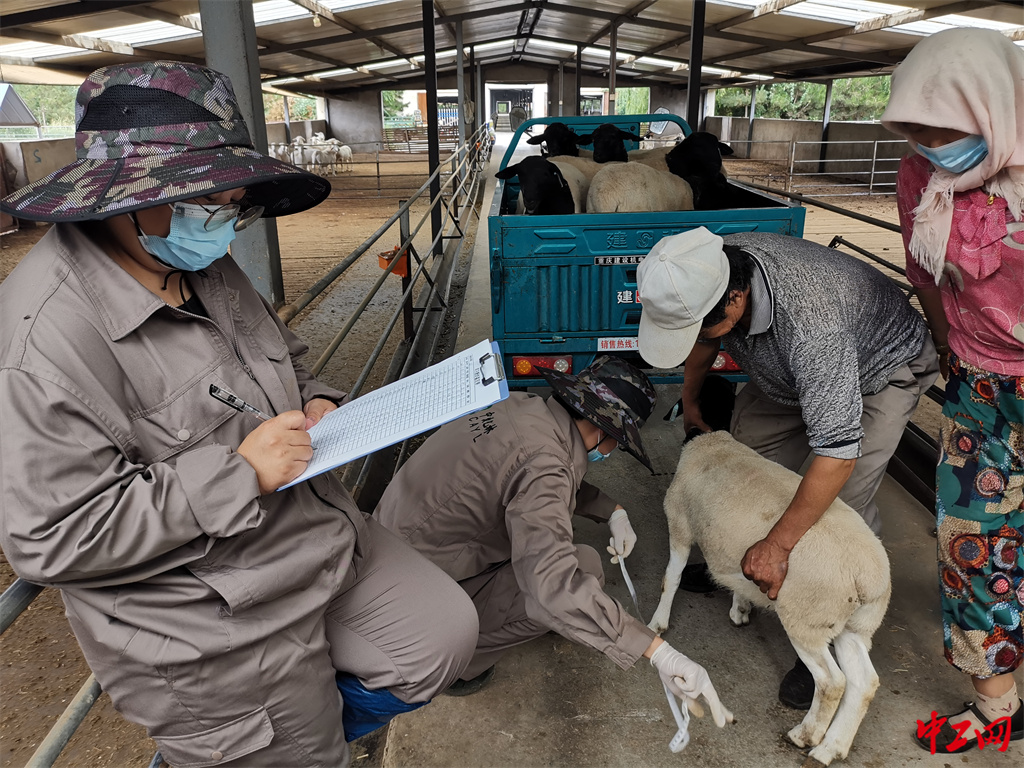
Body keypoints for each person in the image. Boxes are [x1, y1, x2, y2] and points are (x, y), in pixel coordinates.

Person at [0, 61, 479, 767]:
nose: (224, 216)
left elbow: (285, 353)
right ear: (126, 199)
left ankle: (295, 731)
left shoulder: (200, 266)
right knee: (307, 755)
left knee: (441, 637)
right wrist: (239, 475)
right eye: (206, 198)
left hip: (308, 536)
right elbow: (52, 539)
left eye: (232, 199)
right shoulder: (43, 341)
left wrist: (317, 397)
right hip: (209, 618)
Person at [636, 227, 938, 709]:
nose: (697, 336)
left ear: (735, 299)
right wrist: (689, 400)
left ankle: (825, 636)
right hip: (786, 372)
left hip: (876, 370)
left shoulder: (813, 325)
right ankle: (738, 563)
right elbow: (703, 338)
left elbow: (837, 451)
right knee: (746, 469)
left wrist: (777, 545)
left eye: (702, 327)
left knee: (838, 508)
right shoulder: (706, 266)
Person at [375, 356, 733, 726]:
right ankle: (456, 663)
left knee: (575, 561)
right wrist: (655, 650)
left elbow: (533, 475)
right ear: (603, 432)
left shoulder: (523, 409)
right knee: (579, 576)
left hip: (391, 549)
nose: (611, 453)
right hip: (404, 598)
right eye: (619, 444)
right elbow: (552, 586)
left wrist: (613, 510)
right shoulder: (545, 464)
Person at [880, 27, 1024, 753]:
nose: (934, 147)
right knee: (970, 538)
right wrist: (948, 349)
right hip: (978, 383)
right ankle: (996, 704)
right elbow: (922, 273)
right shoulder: (920, 177)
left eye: (948, 131)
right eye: (919, 131)